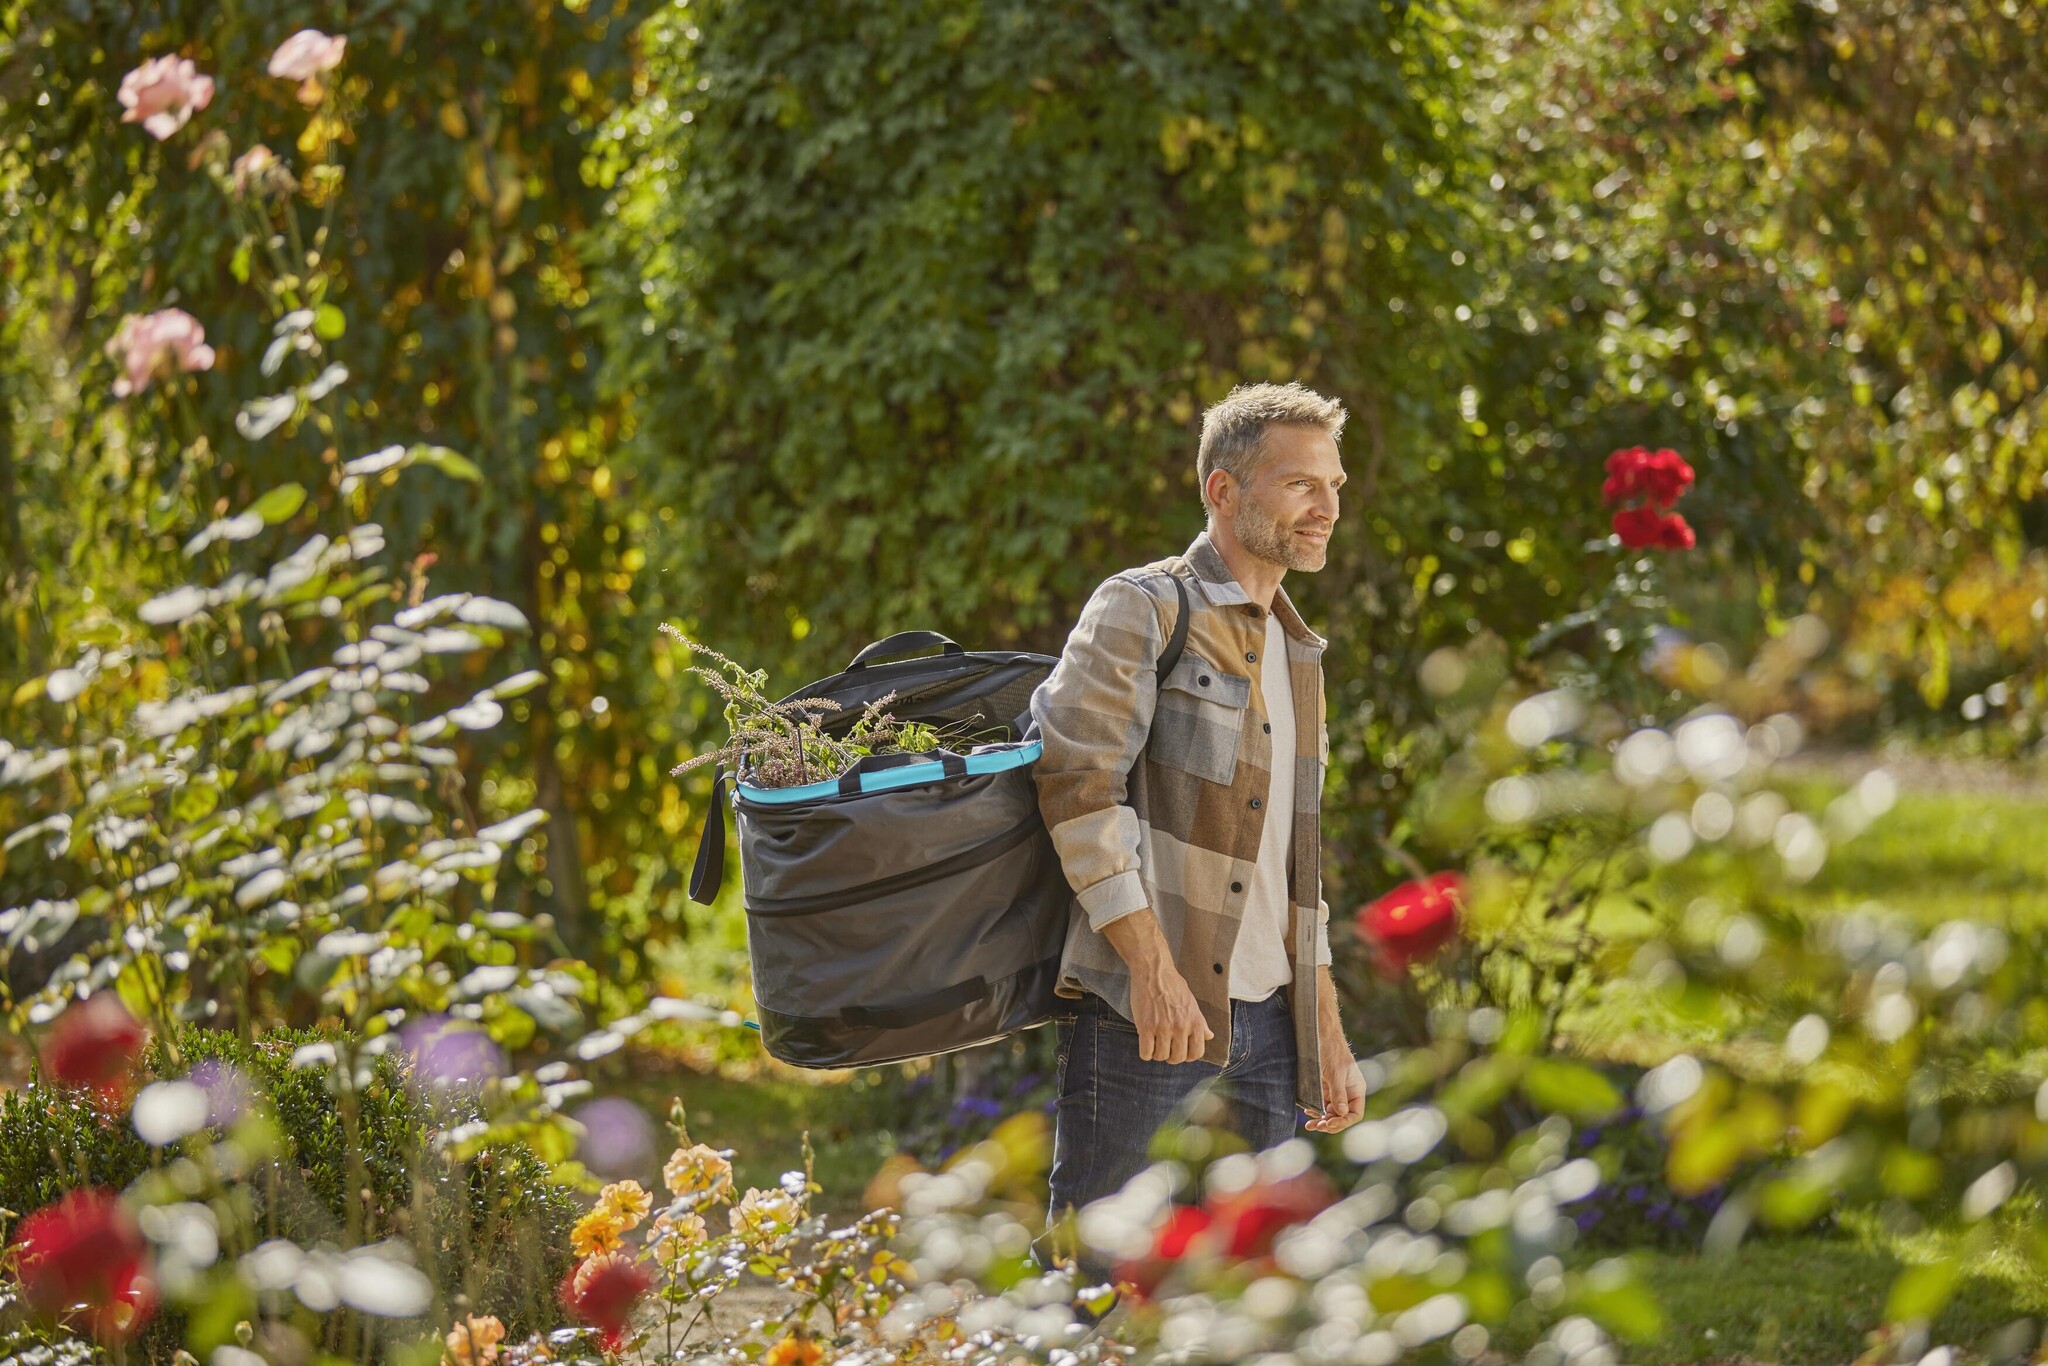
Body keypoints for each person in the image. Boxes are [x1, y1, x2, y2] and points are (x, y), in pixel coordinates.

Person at [1029, 381, 1369, 1281]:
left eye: (1334, 485)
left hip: (1273, 1028)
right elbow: (1076, 788)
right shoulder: (1142, 607)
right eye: (1301, 485)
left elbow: (1298, 866)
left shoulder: (1301, 650)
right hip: (1147, 1019)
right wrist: (1150, 970)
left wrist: (1324, 1027)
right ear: (1223, 492)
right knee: (1097, 1280)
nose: (1327, 508)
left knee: (1249, 1287)